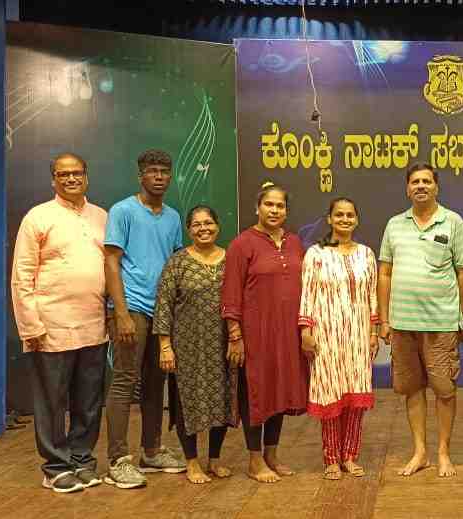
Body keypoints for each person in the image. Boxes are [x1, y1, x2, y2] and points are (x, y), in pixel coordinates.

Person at [11, 153, 108, 493]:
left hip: (94, 325)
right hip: (50, 327)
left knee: (89, 402)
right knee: (52, 402)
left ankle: (82, 460)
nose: (71, 179)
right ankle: (55, 467)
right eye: (63, 174)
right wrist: (31, 326)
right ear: (53, 179)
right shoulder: (38, 217)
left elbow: (111, 268)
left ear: (86, 176)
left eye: (77, 172)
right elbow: (21, 275)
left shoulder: (101, 217)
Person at [378, 162, 463, 478]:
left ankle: (443, 452)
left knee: (444, 390)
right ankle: (420, 452)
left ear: (436, 187)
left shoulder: (453, 221)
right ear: (407, 188)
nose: (421, 186)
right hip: (403, 324)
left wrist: (461, 315)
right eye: (415, 181)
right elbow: (385, 273)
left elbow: (462, 272)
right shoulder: (394, 225)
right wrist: (384, 319)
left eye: (426, 181)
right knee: (412, 389)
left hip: (441, 323)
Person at [103, 149, 187, 489]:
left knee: (156, 383)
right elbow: (111, 261)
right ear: (141, 176)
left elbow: (176, 263)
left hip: (162, 312)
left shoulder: (173, 217)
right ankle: (118, 460)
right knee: (125, 380)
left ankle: (151, 452)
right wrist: (121, 312)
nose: (159, 177)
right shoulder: (122, 211)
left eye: (164, 172)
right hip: (132, 308)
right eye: (152, 171)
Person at [222, 184, 309, 483]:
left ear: (286, 210)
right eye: (269, 205)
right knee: (256, 393)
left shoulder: (295, 243)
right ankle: (254, 459)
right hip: (255, 334)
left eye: (280, 206)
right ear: (257, 208)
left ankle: (272, 454)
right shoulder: (242, 244)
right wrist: (235, 335)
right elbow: (231, 292)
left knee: (279, 392)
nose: (274, 210)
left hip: (288, 333)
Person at [154, 205, 236, 484]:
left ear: (217, 226)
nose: (204, 229)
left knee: (222, 401)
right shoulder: (177, 262)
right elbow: (163, 305)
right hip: (187, 347)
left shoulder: (230, 259)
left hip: (222, 345)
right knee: (186, 403)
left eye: (208, 223)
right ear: (189, 230)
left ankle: (214, 459)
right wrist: (165, 346)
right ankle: (191, 462)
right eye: (197, 224)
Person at [298, 198, 378, 481]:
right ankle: (331, 459)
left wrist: (373, 333)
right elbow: (307, 293)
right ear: (330, 219)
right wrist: (305, 331)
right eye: (339, 215)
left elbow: (372, 295)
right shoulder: (316, 254)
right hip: (326, 335)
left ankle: (350, 456)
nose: (345, 219)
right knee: (330, 393)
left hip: (358, 335)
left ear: (357, 220)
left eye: (350, 215)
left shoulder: (366, 254)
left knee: (356, 395)